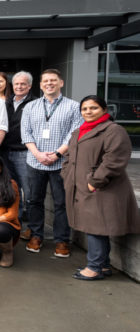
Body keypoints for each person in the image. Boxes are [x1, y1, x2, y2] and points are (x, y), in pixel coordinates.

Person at [62, 96, 140, 280]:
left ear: (104, 110)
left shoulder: (113, 130)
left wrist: (94, 181)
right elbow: (70, 156)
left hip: (102, 187)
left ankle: (94, 267)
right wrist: (66, 173)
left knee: (95, 227)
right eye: (84, 109)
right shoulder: (79, 131)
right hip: (81, 185)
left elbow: (114, 159)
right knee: (95, 226)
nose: (88, 112)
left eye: (93, 108)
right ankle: (103, 265)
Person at [20, 69, 83, 257]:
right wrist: (38, 154)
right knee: (34, 201)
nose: (49, 83)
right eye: (45, 81)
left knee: (61, 203)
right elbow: (25, 132)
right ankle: (36, 235)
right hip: (35, 162)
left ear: (61, 83)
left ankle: (62, 240)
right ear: (40, 85)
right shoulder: (30, 106)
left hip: (61, 163)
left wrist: (57, 154)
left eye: (53, 80)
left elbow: (74, 133)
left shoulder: (73, 107)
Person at [1, 71, 35, 222]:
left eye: (23, 84)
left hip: (24, 153)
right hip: (5, 152)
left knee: (29, 191)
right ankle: (16, 221)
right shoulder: (6, 102)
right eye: (16, 84)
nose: (19, 87)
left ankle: (32, 227)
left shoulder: (35, 103)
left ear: (29, 86)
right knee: (12, 190)